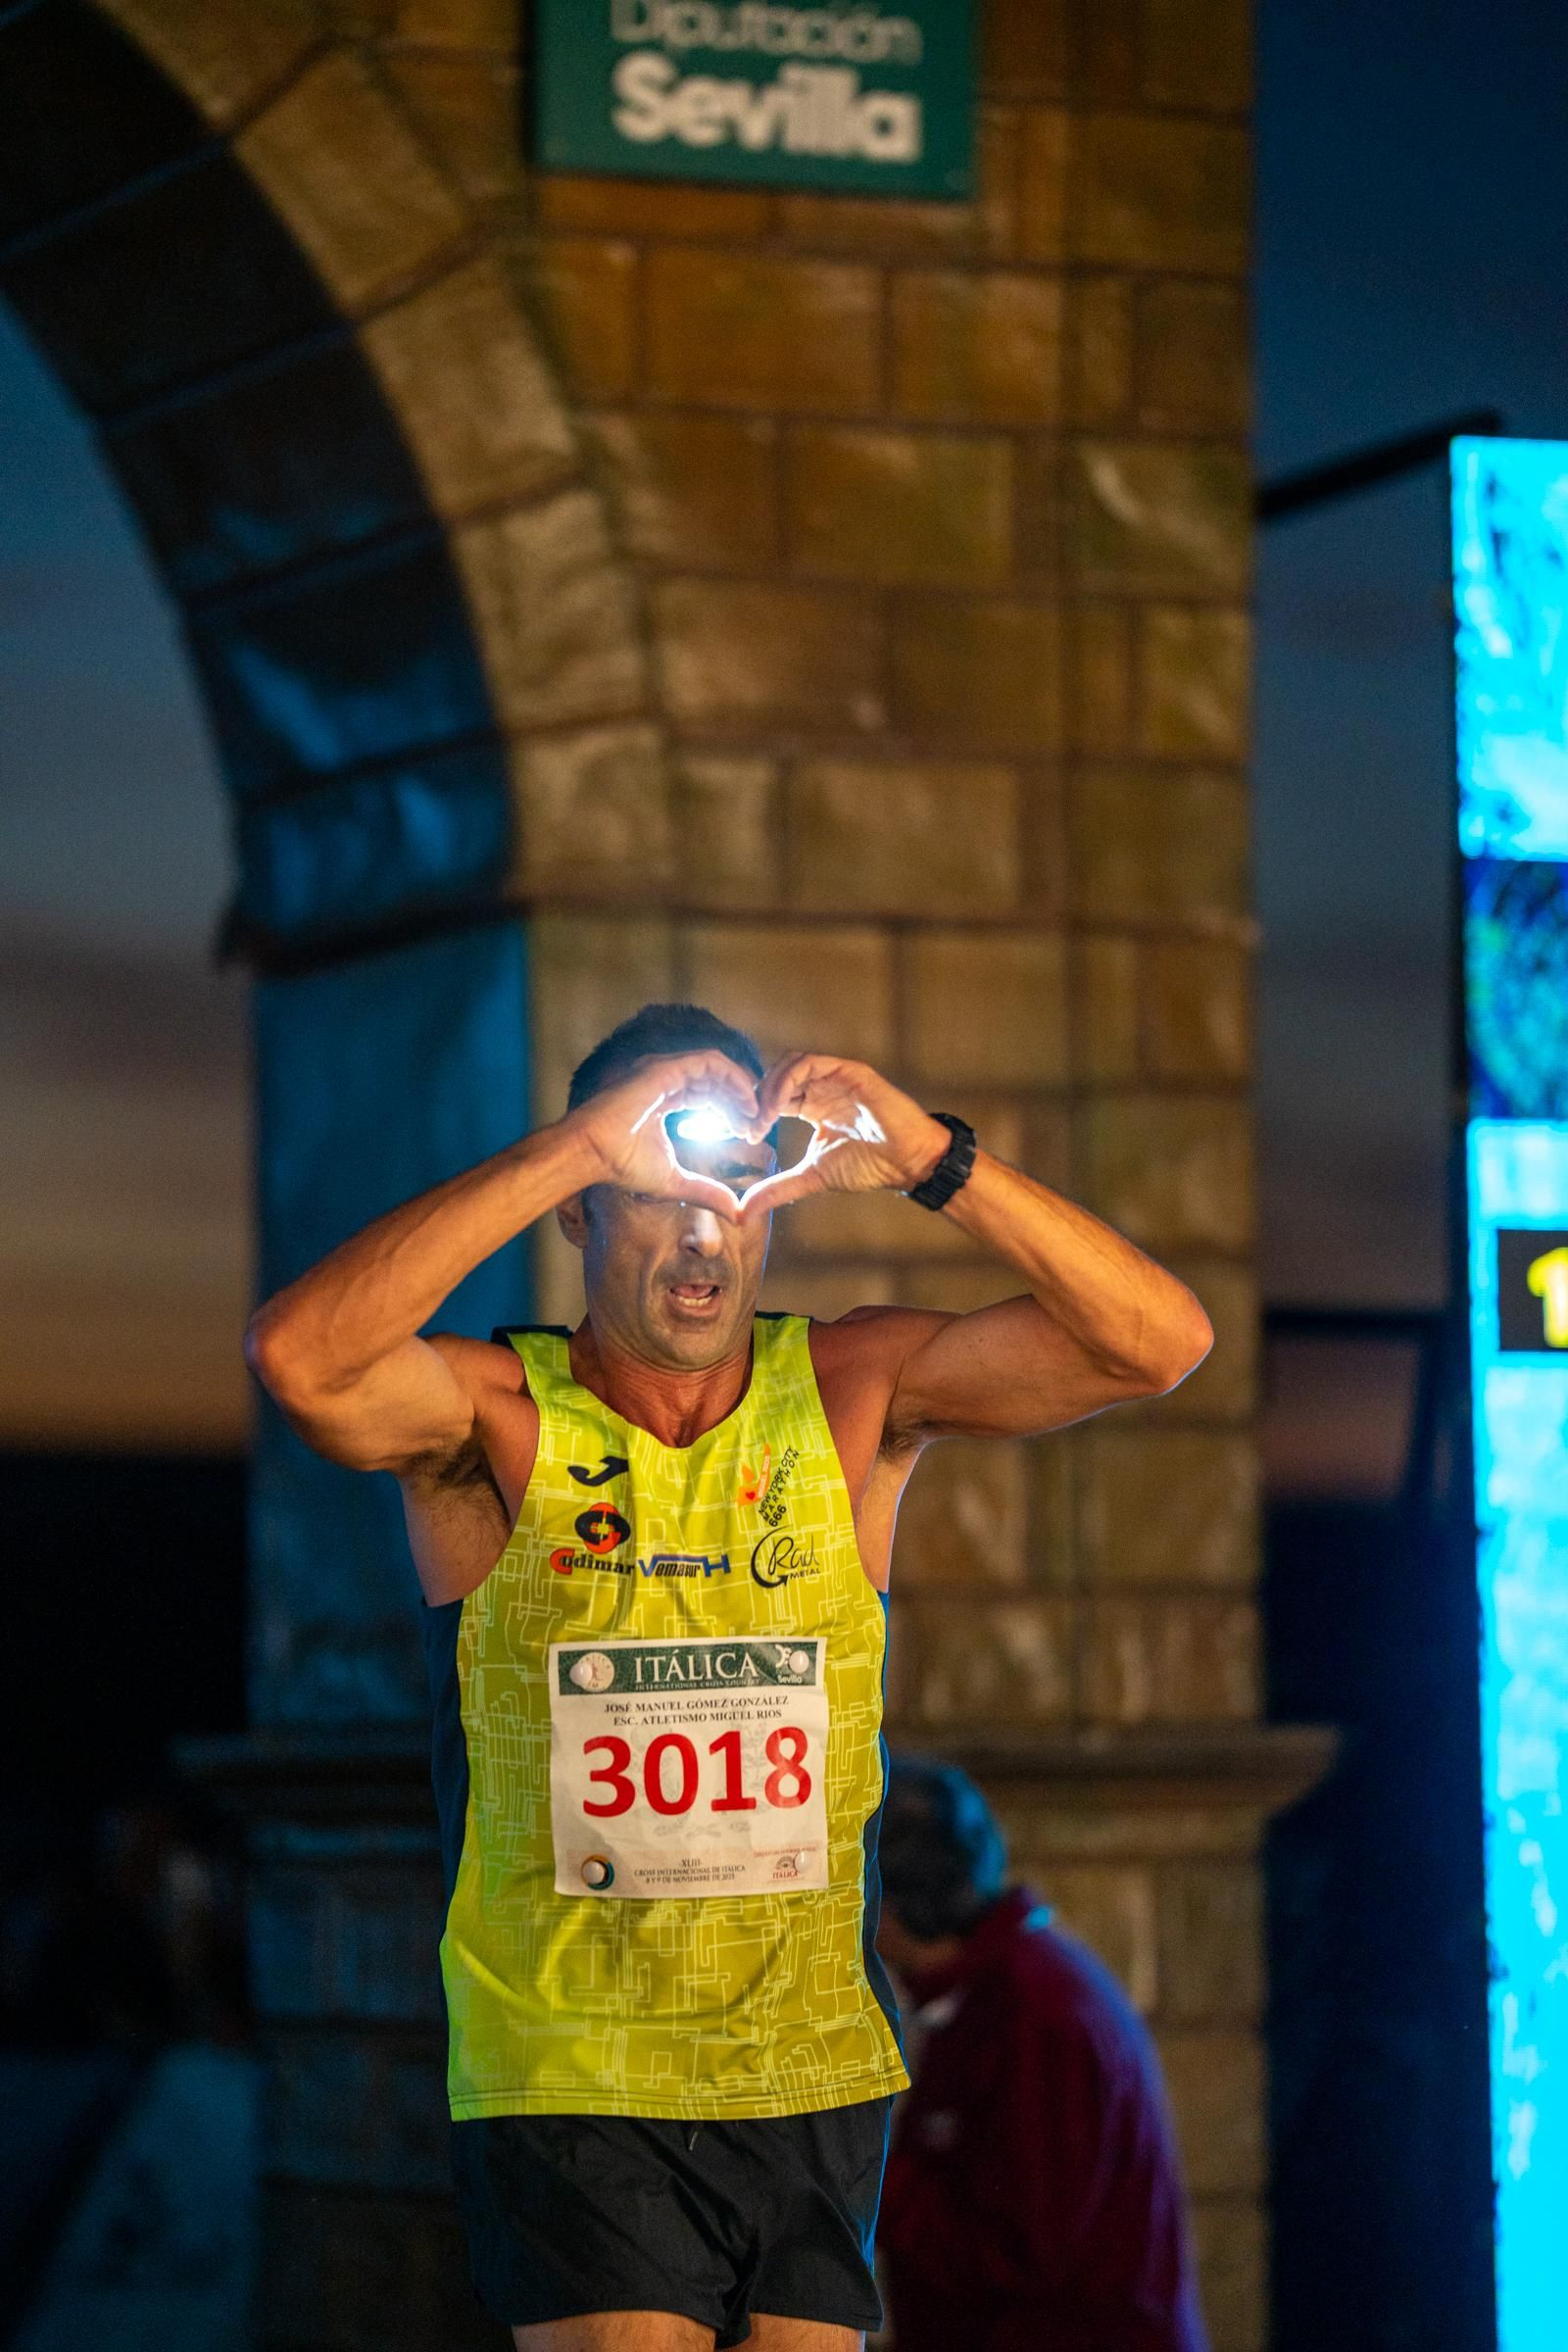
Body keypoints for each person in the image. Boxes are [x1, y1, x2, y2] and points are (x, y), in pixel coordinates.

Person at [244, 1002, 1211, 2352]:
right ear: (585, 1216)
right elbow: (300, 1359)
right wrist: (573, 1146)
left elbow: (1155, 1343)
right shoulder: (494, 1415)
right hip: (576, 2059)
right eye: (656, 1191)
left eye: (737, 1190)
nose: (706, 1233)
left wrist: (933, 1158)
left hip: (809, 2058)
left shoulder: (851, 1385)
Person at [874, 1755, 1209, 2352]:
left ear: (887, 1902)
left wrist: (865, 2174)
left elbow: (1023, 2254)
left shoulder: (1037, 2015)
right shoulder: (994, 1992)